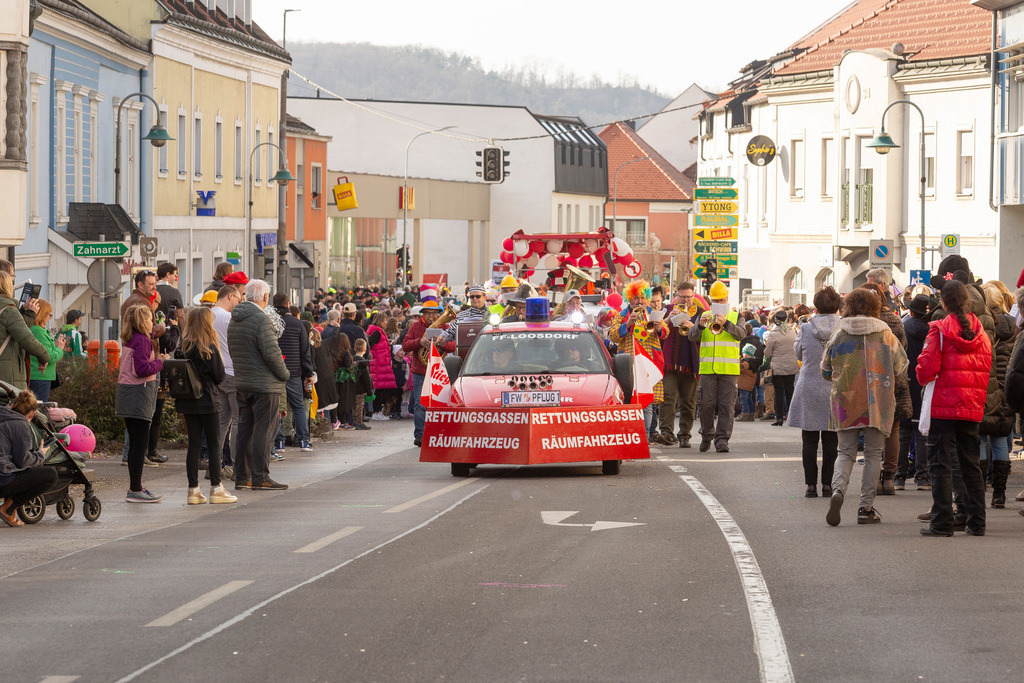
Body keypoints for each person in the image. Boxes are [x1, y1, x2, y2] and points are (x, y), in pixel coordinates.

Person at [822, 288, 908, 527]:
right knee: (872, 454)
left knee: (845, 452)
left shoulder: (839, 333)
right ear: (874, 307)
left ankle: (838, 491)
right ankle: (865, 508)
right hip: (879, 400)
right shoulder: (886, 333)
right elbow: (901, 368)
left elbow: (825, 370)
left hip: (845, 401)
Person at [917, 280, 992, 536]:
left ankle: (941, 522)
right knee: (970, 463)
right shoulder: (982, 333)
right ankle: (977, 522)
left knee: (940, 463)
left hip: (943, 407)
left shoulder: (938, 330)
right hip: (971, 404)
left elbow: (925, 369)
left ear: (943, 301)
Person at [228, 279, 290, 491]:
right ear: (265, 297)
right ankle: (260, 477)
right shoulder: (261, 320)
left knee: (245, 431)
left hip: (243, 383)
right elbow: (272, 354)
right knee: (264, 431)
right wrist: (285, 374)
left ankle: (242, 477)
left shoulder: (235, 319)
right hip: (265, 385)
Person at [174, 307, 236, 505]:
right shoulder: (209, 347)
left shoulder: (183, 347)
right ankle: (216, 488)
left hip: (187, 401)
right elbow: (219, 376)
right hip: (208, 400)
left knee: (194, 444)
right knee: (214, 443)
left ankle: (193, 490)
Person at [787, 287, 841, 498]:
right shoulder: (843, 326)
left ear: (816, 306)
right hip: (835, 386)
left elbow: (798, 352)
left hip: (809, 384)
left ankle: (810, 485)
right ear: (838, 305)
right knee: (831, 440)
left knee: (809, 440)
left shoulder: (806, 327)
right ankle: (827, 485)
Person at [115, 305, 167, 503]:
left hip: (126, 393)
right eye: (150, 320)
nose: (152, 323)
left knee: (136, 443)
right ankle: (135, 488)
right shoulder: (143, 341)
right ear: (142, 321)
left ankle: (135, 486)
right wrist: (160, 361)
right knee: (140, 444)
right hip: (138, 393)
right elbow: (141, 369)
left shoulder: (131, 338)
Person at [687, 280, 745, 453]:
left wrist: (726, 323)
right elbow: (691, 337)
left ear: (727, 299)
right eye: (715, 301)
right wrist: (699, 325)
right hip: (707, 370)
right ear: (711, 301)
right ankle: (706, 436)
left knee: (727, 407)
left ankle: (722, 440)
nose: (719, 304)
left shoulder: (736, 316)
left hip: (728, 370)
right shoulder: (704, 315)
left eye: (721, 301)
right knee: (706, 405)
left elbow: (741, 334)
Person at [609, 280, 667, 438]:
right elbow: (613, 336)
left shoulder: (653, 313)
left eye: (642, 297)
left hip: (648, 362)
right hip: (628, 364)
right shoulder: (621, 315)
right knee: (629, 402)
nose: (639, 301)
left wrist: (660, 328)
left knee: (647, 403)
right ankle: (631, 438)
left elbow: (665, 333)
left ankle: (645, 438)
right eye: (636, 297)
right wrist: (627, 323)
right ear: (629, 299)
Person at [978, 282, 1016, 508]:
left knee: (980, 438)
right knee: (1001, 438)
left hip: (984, 387)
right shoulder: (1014, 326)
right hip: (1006, 389)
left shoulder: (982, 324)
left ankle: (979, 490)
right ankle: (999, 494)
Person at [0, 390, 57, 527]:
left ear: (13, 405)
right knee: (51, 475)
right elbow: (23, 460)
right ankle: (8, 508)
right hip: (3, 479)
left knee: (13, 470)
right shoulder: (21, 424)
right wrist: (40, 454)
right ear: (32, 414)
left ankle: (9, 510)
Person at [658, 281, 702, 447]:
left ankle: (684, 435)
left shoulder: (700, 313)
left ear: (693, 296)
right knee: (667, 397)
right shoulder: (668, 310)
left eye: (688, 297)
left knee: (688, 403)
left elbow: (704, 337)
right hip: (670, 363)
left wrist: (694, 326)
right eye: (682, 297)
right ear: (677, 296)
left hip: (690, 364)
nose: (685, 300)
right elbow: (656, 331)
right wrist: (669, 318)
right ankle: (667, 433)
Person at [271, 294, 314, 452]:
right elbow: (305, 351)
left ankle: (279, 442)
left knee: (276, 407)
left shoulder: (270, 322)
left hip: (275, 372)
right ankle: (303, 441)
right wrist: (308, 373)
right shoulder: (298, 324)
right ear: (288, 304)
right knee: (298, 407)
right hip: (294, 372)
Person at [403, 301, 445, 447]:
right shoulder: (415, 326)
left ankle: (438, 433)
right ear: (423, 314)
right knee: (421, 404)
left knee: (439, 404)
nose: (432, 316)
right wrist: (419, 342)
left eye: (434, 313)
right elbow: (405, 345)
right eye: (428, 313)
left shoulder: (444, 326)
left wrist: (441, 343)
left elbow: (452, 346)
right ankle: (420, 434)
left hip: (439, 371)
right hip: (421, 371)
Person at [0, 271, 51, 391]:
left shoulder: (9, 311)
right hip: (6, 375)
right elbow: (26, 338)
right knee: (10, 408)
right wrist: (44, 356)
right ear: (7, 287)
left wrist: (23, 310)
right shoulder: (8, 311)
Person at [903, 293, 933, 490]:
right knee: (921, 433)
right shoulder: (929, 332)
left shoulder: (902, 328)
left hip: (904, 382)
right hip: (922, 384)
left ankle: (898, 475)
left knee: (903, 432)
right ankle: (922, 477)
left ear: (911, 311)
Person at [211, 285, 241, 481]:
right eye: (238, 299)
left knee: (221, 423)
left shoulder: (209, 315)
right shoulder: (228, 318)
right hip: (232, 371)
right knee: (239, 421)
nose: (239, 303)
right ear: (230, 296)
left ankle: (214, 466)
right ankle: (238, 466)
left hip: (218, 373)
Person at [28, 300, 67, 402]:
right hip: (40, 377)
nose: (49, 318)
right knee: (39, 410)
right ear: (43, 314)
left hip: (35, 375)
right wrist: (60, 348)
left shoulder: (34, 329)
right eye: (49, 315)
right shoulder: (38, 331)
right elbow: (49, 356)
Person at [764, 310, 798, 426]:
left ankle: (779, 418)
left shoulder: (773, 334)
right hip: (792, 366)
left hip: (778, 367)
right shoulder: (792, 332)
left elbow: (768, 353)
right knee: (790, 391)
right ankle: (792, 416)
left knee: (779, 392)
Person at [351, 338, 373, 431]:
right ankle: (359, 422)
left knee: (353, 406)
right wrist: (369, 390)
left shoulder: (352, 360)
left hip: (352, 388)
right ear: (365, 349)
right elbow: (366, 378)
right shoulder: (363, 362)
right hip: (361, 389)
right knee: (359, 406)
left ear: (354, 348)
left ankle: (352, 421)